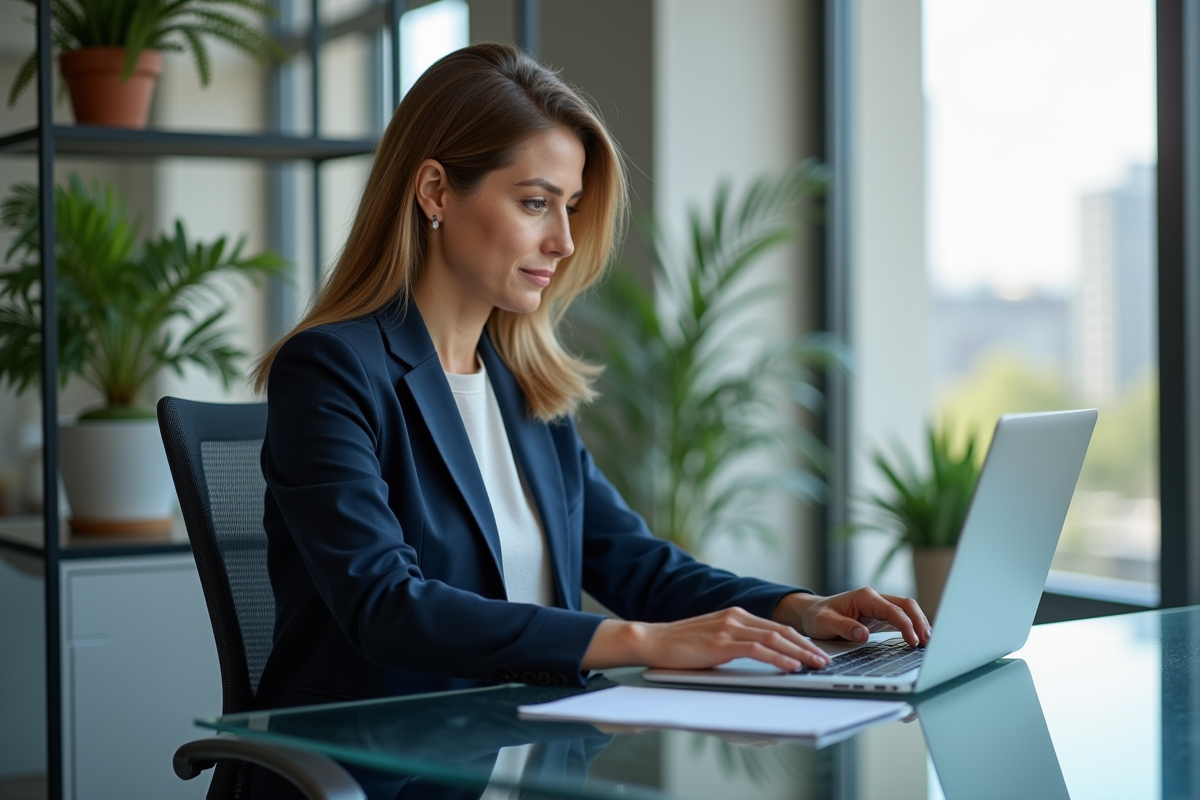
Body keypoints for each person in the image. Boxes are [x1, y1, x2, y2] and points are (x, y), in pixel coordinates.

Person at [249, 42, 929, 788]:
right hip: (383, 776)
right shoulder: (332, 369)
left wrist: (797, 608)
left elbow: (634, 562)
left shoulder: (521, 384)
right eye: (534, 202)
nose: (564, 241)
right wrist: (644, 642)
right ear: (436, 191)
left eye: (569, 207)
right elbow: (387, 606)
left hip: (525, 761)